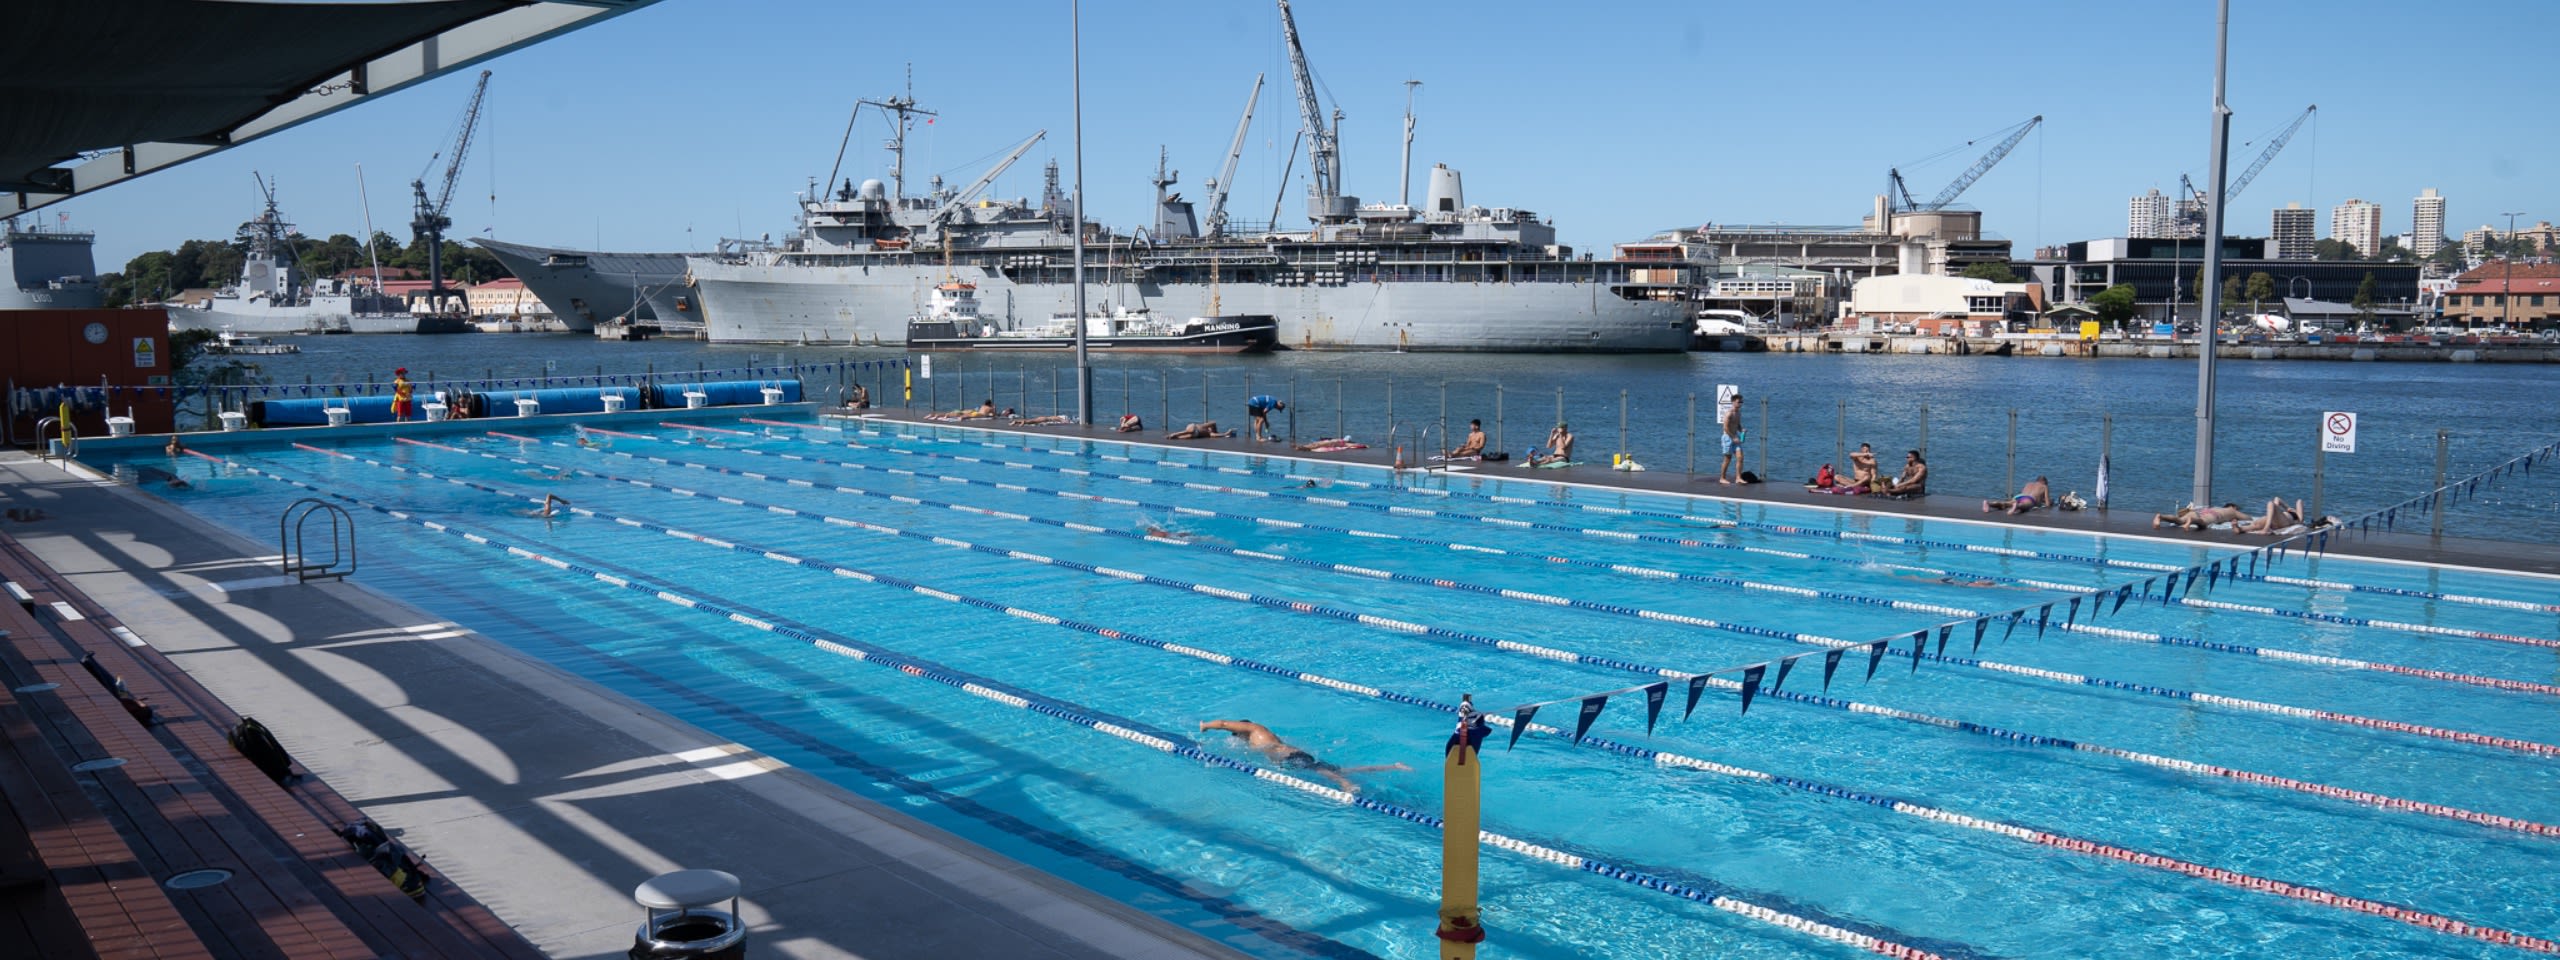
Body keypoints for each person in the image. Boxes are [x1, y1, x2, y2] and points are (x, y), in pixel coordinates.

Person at [1198, 719, 1409, 793]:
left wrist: (1205, 726)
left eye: (1236, 734)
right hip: (1293, 755)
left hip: (1290, 757)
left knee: (1324, 771)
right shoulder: (1259, 737)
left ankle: (1345, 784)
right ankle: (1394, 766)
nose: (1236, 737)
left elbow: (1223, 724)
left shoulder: (1253, 729)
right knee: (1339, 769)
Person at [1717, 391, 1746, 484]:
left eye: (1741, 402)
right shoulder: (1729, 413)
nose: (1740, 404)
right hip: (1727, 438)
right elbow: (1725, 427)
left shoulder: (1738, 413)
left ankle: (1738, 478)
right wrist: (1733, 437)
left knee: (1740, 457)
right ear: (1733, 402)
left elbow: (1737, 424)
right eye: (1738, 402)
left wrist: (1741, 429)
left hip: (1735, 437)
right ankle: (1722, 478)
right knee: (1727, 459)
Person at [2152, 502, 2244, 530]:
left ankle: (2161, 517)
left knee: (2179, 520)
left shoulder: (2214, 508)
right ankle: (2192, 520)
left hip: (2196, 512)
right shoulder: (2227, 513)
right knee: (2202, 523)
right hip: (2209, 516)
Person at [1986, 476, 2050, 515]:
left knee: (2005, 504)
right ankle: (2017, 506)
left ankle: (1989, 503)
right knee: (2024, 505)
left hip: (2019, 496)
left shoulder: (2028, 484)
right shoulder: (2044, 486)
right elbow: (2047, 504)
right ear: (2044, 482)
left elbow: (2024, 494)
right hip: (2030, 498)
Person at [2237, 497, 2302, 535]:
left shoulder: (2297, 516)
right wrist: (2287, 507)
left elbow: (2299, 501)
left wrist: (2292, 510)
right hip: (2274, 521)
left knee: (2270, 503)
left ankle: (2266, 528)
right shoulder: (2285, 512)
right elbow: (2277, 498)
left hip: (2285, 522)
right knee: (2255, 525)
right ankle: (2240, 529)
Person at [1167, 421, 1234, 440]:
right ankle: (1175, 434)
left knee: (1189, 436)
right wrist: (1215, 430)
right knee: (1190, 431)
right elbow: (1214, 423)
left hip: (1196, 434)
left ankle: (1175, 437)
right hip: (1193, 427)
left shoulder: (1209, 434)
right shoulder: (1204, 426)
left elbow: (1216, 435)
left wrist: (1226, 434)